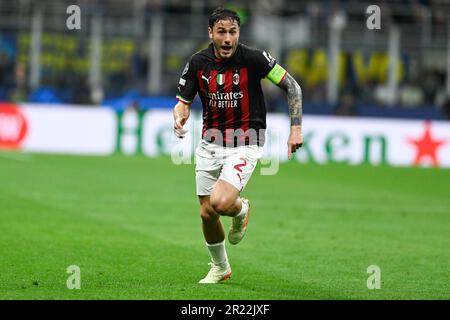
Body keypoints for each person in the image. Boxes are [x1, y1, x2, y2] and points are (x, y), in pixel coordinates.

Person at [172, 7, 303, 284]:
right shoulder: (198, 62)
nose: (228, 38)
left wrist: (295, 129)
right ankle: (220, 268)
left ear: (239, 32)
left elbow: (292, 86)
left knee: (220, 202)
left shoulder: (255, 59)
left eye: (233, 32)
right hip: (210, 142)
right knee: (207, 212)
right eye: (222, 32)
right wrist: (179, 118)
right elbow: (182, 103)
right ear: (211, 33)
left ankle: (241, 208)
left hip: (246, 141)